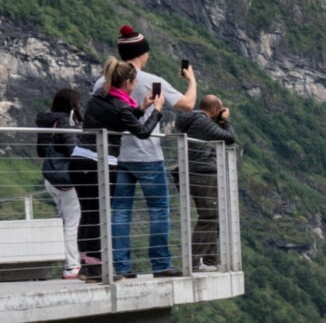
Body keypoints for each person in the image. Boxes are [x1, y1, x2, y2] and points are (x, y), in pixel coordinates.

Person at [92, 25, 192, 279]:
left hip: (115, 155)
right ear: (142, 53)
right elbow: (187, 105)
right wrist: (191, 80)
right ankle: (160, 264)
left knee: (120, 211)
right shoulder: (152, 81)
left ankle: (121, 267)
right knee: (158, 208)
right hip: (147, 155)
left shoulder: (101, 83)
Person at [79, 60, 164, 282]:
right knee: (99, 215)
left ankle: (86, 266)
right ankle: (97, 269)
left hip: (80, 159)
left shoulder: (100, 94)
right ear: (127, 82)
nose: (135, 86)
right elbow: (143, 132)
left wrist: (141, 108)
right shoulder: (120, 105)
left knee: (88, 214)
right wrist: (157, 110)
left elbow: (119, 118)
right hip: (100, 161)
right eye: (134, 82)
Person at [172, 94, 235, 270]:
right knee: (210, 216)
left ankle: (209, 260)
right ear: (215, 110)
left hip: (190, 171)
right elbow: (229, 137)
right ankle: (195, 261)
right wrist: (225, 121)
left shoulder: (190, 120)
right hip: (202, 173)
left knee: (212, 215)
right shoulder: (204, 123)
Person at [33, 88, 82, 281]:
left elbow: (41, 152)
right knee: (72, 223)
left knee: (67, 220)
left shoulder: (47, 122)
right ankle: (72, 266)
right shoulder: (65, 123)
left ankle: (75, 261)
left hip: (50, 179)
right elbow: (73, 151)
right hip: (67, 181)